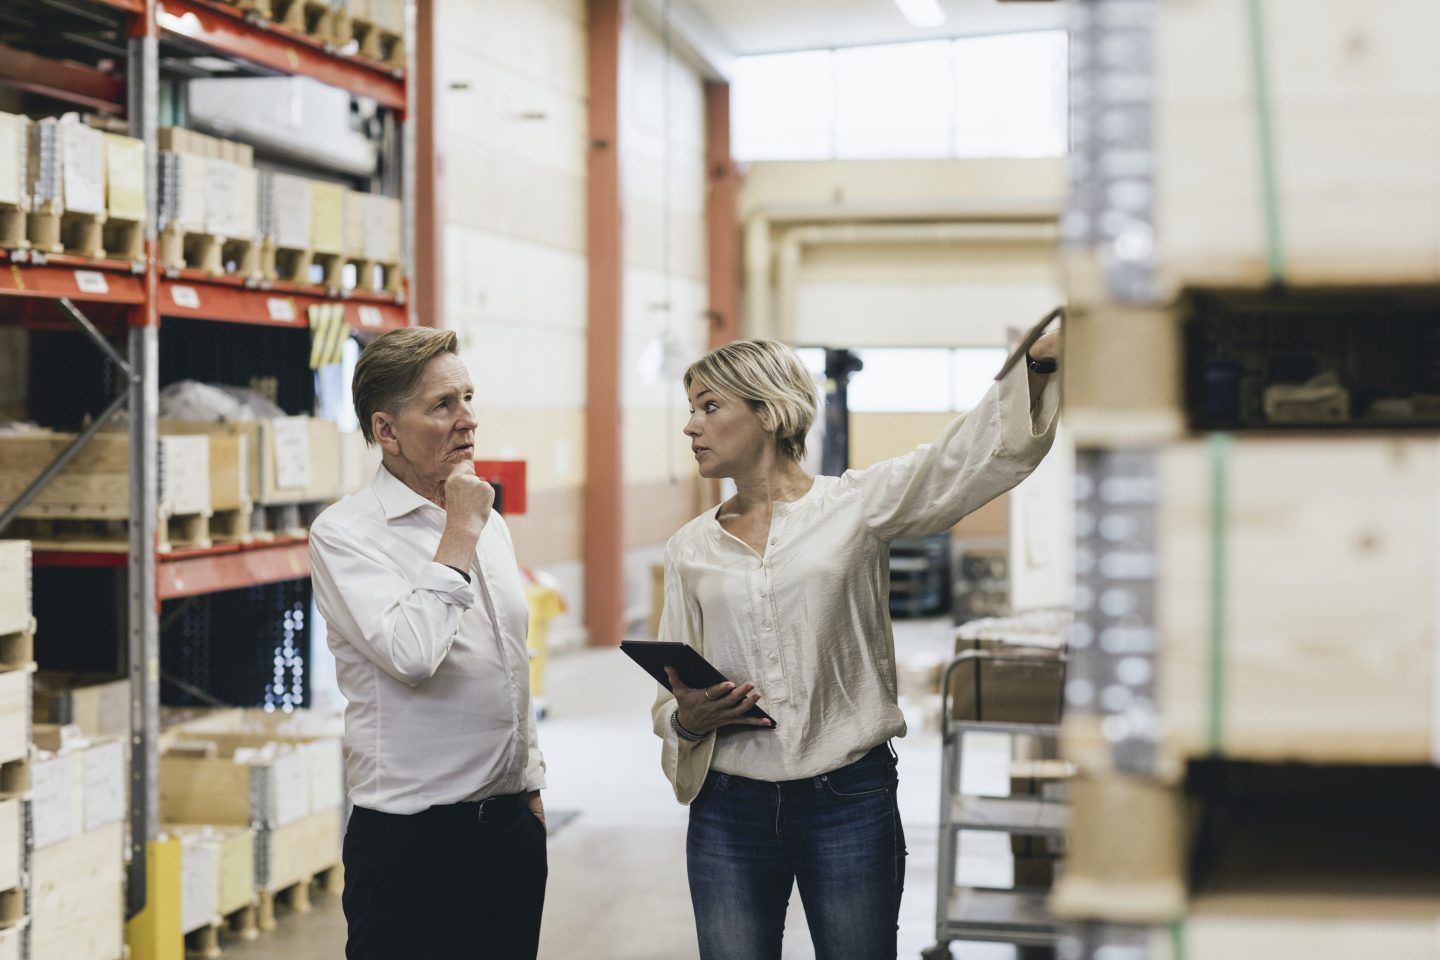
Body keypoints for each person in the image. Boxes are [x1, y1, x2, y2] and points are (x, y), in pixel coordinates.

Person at [651, 334, 1060, 960]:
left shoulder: (855, 507)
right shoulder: (690, 549)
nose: (690, 427)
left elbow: (963, 460)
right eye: (691, 410)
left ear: (766, 410)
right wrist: (686, 718)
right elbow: (669, 691)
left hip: (847, 799)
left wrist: (1036, 364)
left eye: (708, 407)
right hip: (729, 806)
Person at [310, 327, 548, 960]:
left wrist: (529, 787)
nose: (468, 420)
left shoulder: (484, 519)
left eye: (467, 398)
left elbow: (508, 662)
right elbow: (413, 655)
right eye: (443, 405)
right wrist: (459, 533)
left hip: (507, 830)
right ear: (387, 431)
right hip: (411, 842)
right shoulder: (346, 534)